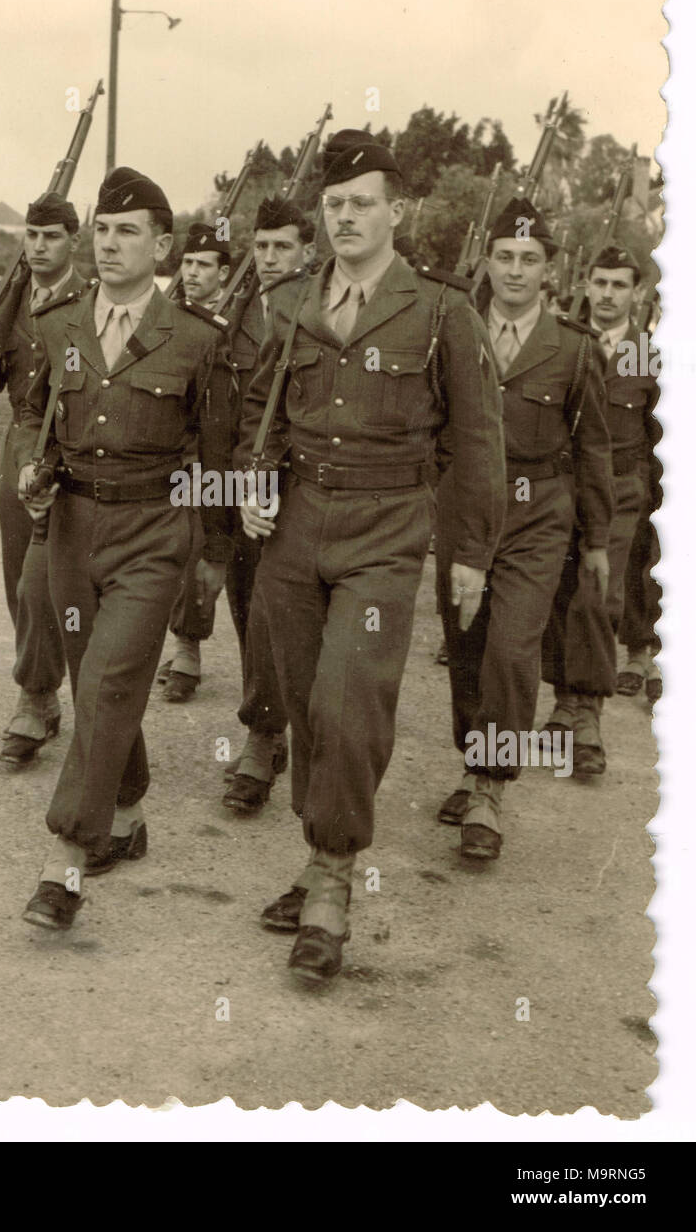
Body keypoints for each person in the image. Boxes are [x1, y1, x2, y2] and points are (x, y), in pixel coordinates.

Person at [235, 130, 506, 983]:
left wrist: (471, 553)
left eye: (362, 204)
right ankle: (321, 854)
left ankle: (332, 882)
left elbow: (477, 438)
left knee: (352, 701)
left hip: (388, 530)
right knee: (308, 704)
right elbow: (255, 408)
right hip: (293, 530)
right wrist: (251, 476)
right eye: (335, 205)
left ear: (398, 211)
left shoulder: (439, 310)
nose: (346, 216)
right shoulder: (288, 303)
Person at [15, 168, 233, 931]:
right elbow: (35, 414)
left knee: (108, 683)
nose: (110, 245)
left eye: (128, 232)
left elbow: (219, 454)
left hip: (152, 532)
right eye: (102, 231)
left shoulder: (199, 339)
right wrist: (32, 475)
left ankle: (64, 862)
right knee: (95, 683)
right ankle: (129, 808)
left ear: (163, 246)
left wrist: (211, 555)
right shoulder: (58, 323)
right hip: (72, 530)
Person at [435, 198, 612, 852]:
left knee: (511, 647)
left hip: (539, 511)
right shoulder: (453, 331)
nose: (514, 270)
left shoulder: (572, 347)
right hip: (463, 508)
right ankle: (473, 757)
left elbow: (592, 445)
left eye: (528, 260)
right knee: (467, 647)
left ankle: (489, 788)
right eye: (504, 258)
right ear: (487, 262)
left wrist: (594, 538)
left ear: (548, 270)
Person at [0, 192, 86, 766]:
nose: (39, 247)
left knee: (47, 576)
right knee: (19, 575)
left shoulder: (90, 299)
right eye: (32, 236)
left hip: (73, 446)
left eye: (51, 237)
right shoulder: (6, 297)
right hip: (19, 442)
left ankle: (34, 696)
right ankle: (43, 688)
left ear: (73, 241)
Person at [540, 245, 660, 770]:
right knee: (556, 594)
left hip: (620, 489)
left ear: (638, 294)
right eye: (600, 283)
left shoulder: (651, 354)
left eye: (619, 285)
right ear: (586, 285)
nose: (608, 294)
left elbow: (662, 433)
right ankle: (568, 703)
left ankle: (582, 711)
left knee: (597, 594)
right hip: (562, 486)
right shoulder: (565, 343)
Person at [222, 197, 316, 815]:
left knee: (275, 614)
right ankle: (271, 721)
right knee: (244, 601)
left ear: (309, 252)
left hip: (301, 480)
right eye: (262, 247)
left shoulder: (316, 308)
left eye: (284, 247)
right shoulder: (236, 311)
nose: (271, 258)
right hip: (237, 476)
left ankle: (264, 735)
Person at [156, 221, 232, 704]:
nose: (194, 272)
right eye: (188, 263)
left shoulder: (239, 319)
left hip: (226, 449)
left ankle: (188, 648)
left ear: (224, 273)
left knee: (208, 543)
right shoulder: (166, 316)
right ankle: (181, 643)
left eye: (205, 265)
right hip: (177, 447)